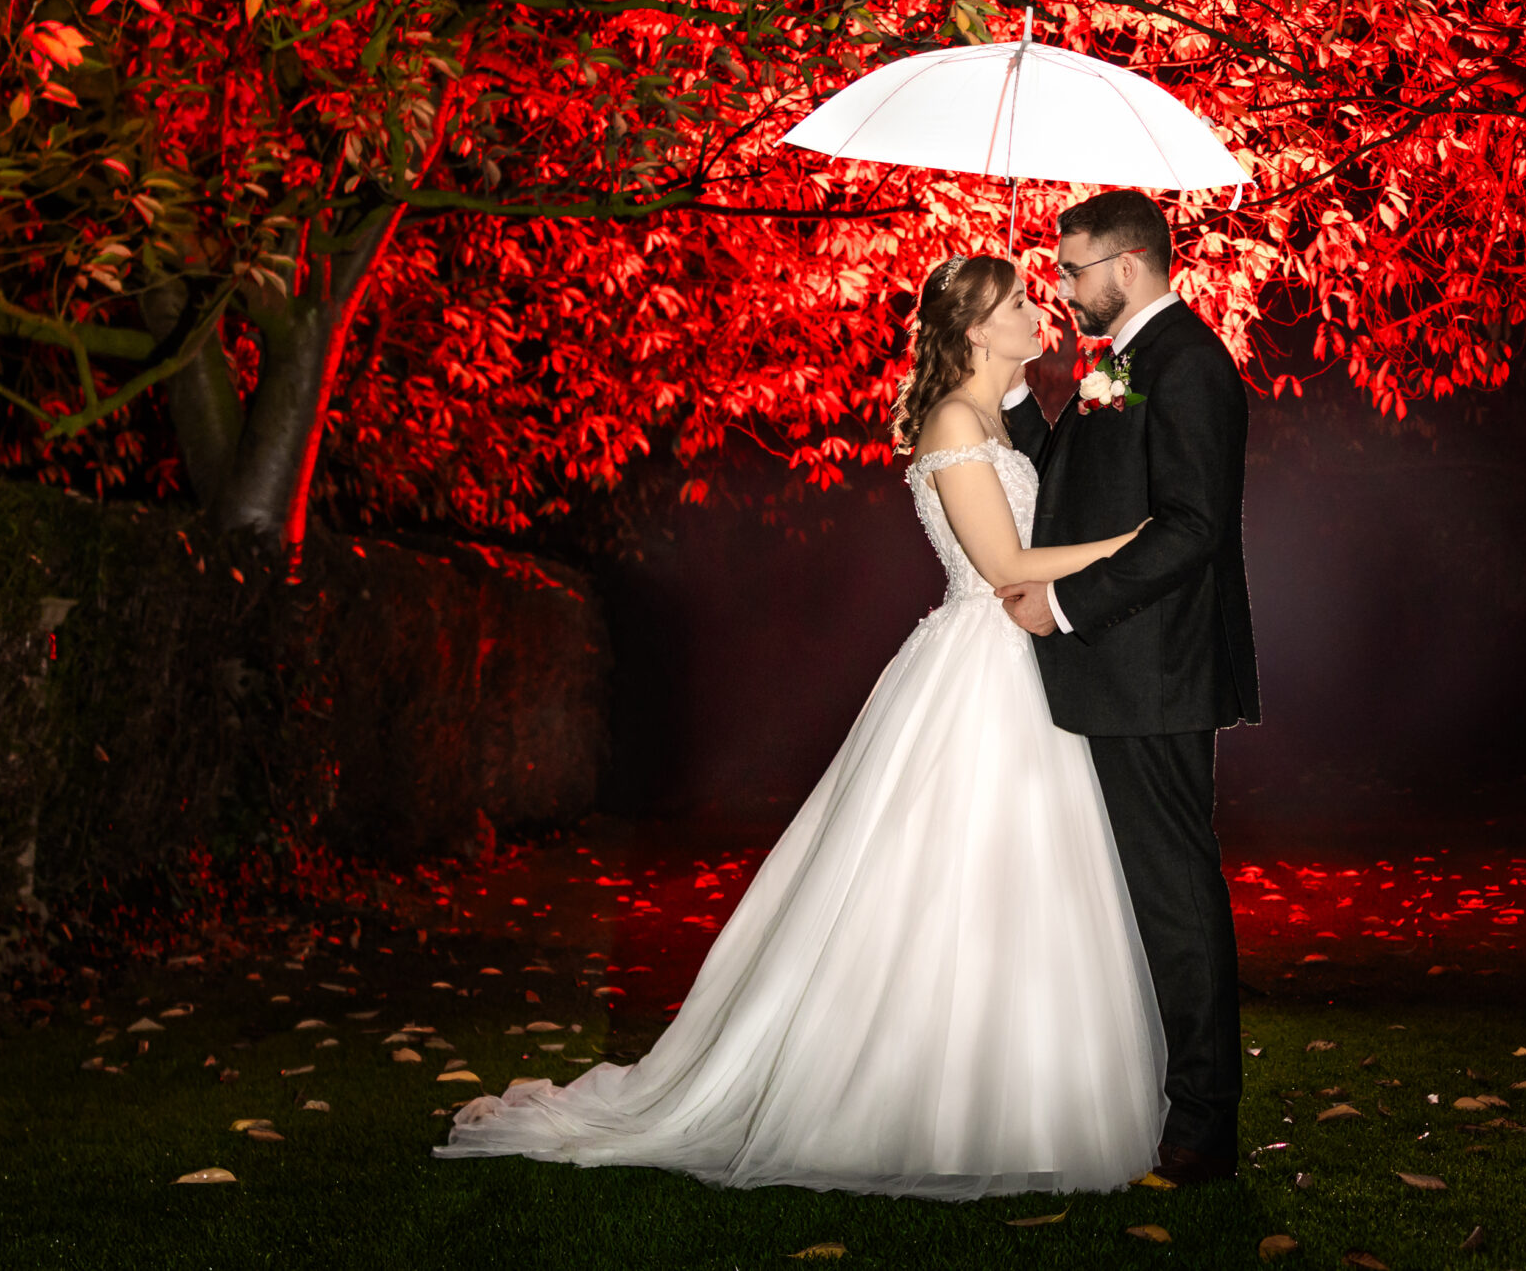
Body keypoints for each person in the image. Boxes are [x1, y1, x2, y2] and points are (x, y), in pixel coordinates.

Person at [432, 253, 1168, 1199]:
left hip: (1019, 663)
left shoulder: (996, 416)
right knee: (946, 879)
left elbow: (1044, 492)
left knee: (1019, 875)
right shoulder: (952, 419)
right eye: (1021, 303)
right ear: (978, 329)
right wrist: (1135, 545)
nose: (1042, 312)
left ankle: (1012, 1094)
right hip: (979, 666)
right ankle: (907, 1099)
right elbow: (1002, 561)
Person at [997, 188, 1260, 1188]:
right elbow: (1068, 476)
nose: (1061, 289)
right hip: (1120, 671)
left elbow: (1192, 525)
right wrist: (1022, 395)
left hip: (1154, 672)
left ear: (1131, 262)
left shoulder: (1189, 364)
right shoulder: (1121, 360)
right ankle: (1153, 1100)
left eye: (1074, 270)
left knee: (1174, 897)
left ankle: (1200, 1133)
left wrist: (1062, 606)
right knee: (1138, 895)